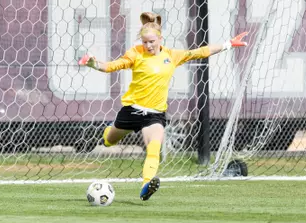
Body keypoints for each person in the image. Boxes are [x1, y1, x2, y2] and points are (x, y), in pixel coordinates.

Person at [78, 12, 248, 201]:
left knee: (154, 145)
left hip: (155, 114)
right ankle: (109, 133)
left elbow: (199, 52)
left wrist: (228, 44)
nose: (148, 45)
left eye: (152, 41)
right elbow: (111, 66)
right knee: (109, 140)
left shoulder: (171, 55)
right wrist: (94, 64)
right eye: (145, 42)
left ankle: (146, 185)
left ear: (160, 38)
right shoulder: (135, 54)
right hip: (132, 110)